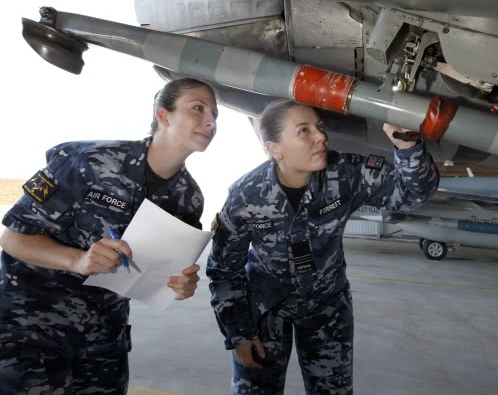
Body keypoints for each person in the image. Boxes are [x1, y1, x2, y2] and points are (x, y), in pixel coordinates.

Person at [0, 78, 218, 394]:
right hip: (32, 329)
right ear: (163, 115)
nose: (210, 121)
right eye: (198, 108)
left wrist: (178, 286)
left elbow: (154, 276)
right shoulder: (86, 162)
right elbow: (13, 238)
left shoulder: (187, 199)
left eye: (214, 115)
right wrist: (79, 260)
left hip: (103, 339)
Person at [207, 100, 439, 394]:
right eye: (304, 131)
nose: (320, 137)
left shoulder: (344, 173)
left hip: (326, 307)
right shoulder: (246, 196)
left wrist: (407, 143)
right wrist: (239, 333)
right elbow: (224, 270)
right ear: (275, 148)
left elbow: (413, 194)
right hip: (265, 308)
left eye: (319, 127)